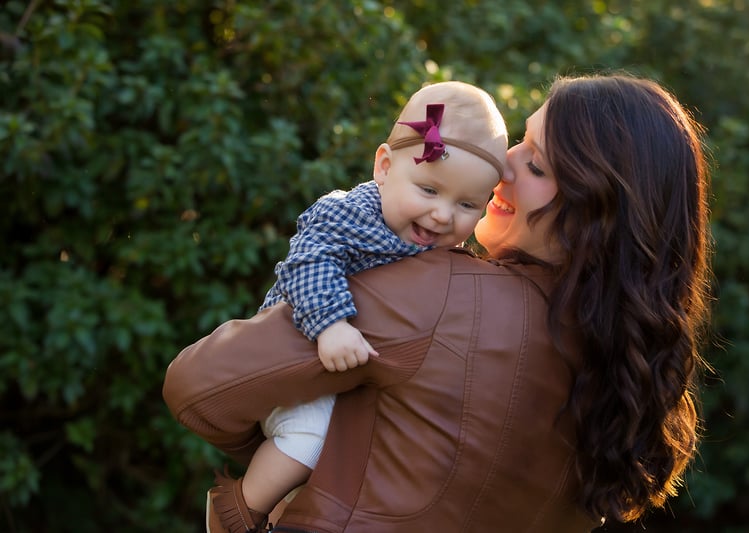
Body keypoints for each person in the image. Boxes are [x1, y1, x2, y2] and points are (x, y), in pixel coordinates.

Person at [163, 73, 713, 532]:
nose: (503, 166)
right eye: (518, 142)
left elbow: (197, 387)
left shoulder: (431, 291)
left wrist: (302, 458)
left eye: (538, 166)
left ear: (597, 217)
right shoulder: (625, 383)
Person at [205, 81, 508, 532]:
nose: (444, 216)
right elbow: (307, 263)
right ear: (384, 166)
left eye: (466, 204)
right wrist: (331, 326)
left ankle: (276, 518)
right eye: (428, 190)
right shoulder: (347, 214)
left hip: (348, 384)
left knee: (332, 479)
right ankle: (233, 511)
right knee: (311, 442)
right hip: (295, 366)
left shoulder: (440, 248)